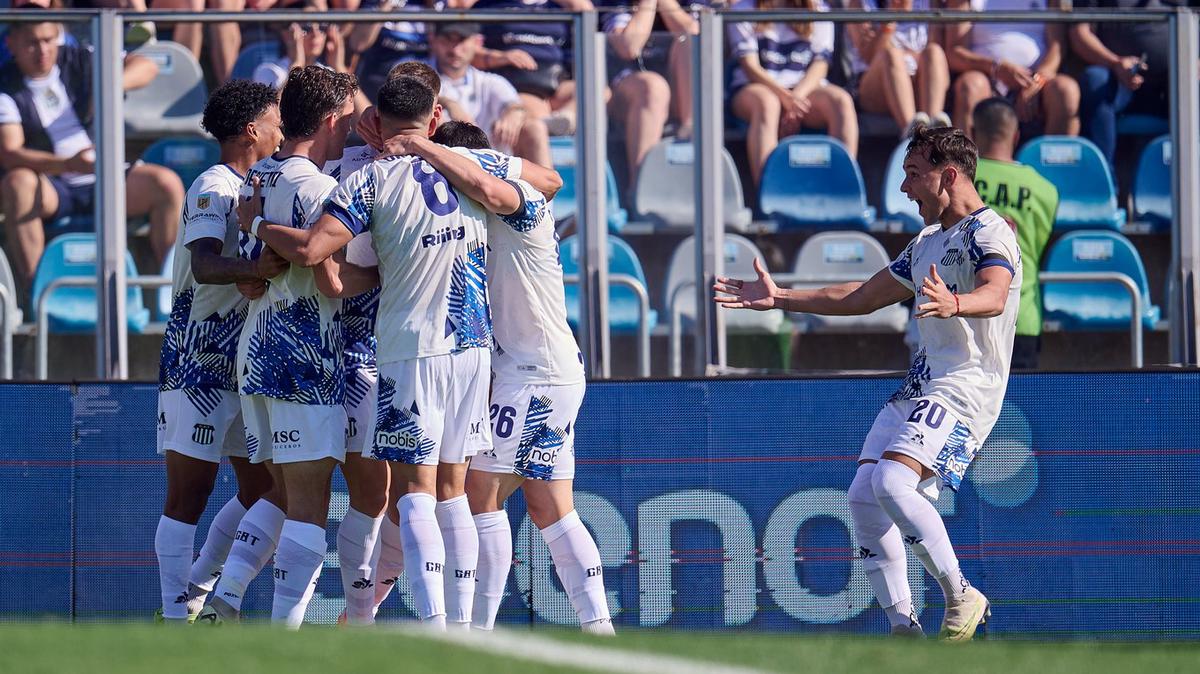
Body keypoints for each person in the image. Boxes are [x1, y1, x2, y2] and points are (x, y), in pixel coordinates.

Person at [237, 75, 530, 630]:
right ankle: (468, 628)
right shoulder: (473, 167)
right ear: (436, 115)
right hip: (472, 346)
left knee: (413, 490)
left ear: (374, 120)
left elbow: (315, 253)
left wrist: (253, 222)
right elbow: (547, 180)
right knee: (454, 492)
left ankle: (433, 622)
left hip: (407, 348)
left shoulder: (369, 179)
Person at [714, 126, 1021, 641]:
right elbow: (860, 295)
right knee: (862, 495)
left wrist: (956, 303)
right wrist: (781, 298)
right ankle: (904, 627)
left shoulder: (990, 232)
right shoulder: (926, 242)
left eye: (913, 174)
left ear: (948, 175)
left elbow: (995, 292)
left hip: (966, 387)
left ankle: (962, 594)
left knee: (892, 483)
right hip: (923, 384)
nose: (904, 188)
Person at [408, 120, 613, 635]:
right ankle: (599, 629)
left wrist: (420, 145)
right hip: (545, 370)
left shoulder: (518, 200)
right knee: (550, 507)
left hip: (533, 374)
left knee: (479, 494)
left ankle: (477, 634)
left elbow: (509, 183)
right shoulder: (477, 214)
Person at [202, 65, 359, 628]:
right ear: (331, 120)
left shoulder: (258, 176)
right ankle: (283, 636)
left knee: (280, 492)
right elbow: (331, 281)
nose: (352, 131)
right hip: (304, 354)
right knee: (309, 506)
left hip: (256, 351)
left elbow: (252, 272)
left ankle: (224, 596)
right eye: (348, 119)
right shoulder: (319, 189)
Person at [153, 79, 284, 624]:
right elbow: (205, 263)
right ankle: (172, 617)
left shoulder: (258, 187)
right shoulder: (215, 185)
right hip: (199, 359)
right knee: (190, 493)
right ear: (252, 130)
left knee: (267, 489)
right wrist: (251, 269)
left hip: (245, 361)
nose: (281, 130)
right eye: (275, 121)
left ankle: (200, 593)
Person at [0, 18, 183, 297]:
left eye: (48, 40)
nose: (43, 50)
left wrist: (110, 84)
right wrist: (68, 165)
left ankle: (171, 295)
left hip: (104, 175)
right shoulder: (5, 85)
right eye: (32, 43)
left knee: (166, 184)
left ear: (58, 36)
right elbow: (10, 153)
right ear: (11, 44)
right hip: (53, 185)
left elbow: (147, 66)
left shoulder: (80, 58)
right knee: (18, 184)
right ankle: (39, 299)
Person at [728, 0, 859, 188]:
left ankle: (841, 188)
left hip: (803, 91)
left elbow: (821, 64)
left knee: (841, 101)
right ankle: (770, 192)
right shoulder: (743, 9)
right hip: (755, 88)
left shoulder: (819, 9)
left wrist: (796, 98)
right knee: (767, 104)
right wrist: (786, 98)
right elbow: (750, 68)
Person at [971, 97, 1056, 370]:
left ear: (972, 133)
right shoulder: (1045, 190)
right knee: (1018, 400)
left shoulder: (956, 181)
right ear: (1016, 136)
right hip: (1021, 317)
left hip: (966, 316)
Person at [456, 0, 595, 137]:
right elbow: (466, 51)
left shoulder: (557, 6)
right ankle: (547, 126)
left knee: (594, 89)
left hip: (554, 79)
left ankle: (565, 118)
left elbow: (586, 12)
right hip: (516, 81)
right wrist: (502, 57)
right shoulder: (488, 6)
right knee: (535, 110)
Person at [1069, 0, 1180, 169]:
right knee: (1095, 81)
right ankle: (1101, 178)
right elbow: (1079, 34)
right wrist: (1115, 63)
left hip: (1177, 81)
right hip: (1116, 80)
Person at [945, 0, 1078, 138]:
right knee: (970, 85)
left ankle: (1055, 152)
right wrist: (995, 68)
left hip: (1038, 82)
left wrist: (1037, 81)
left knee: (1066, 90)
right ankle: (965, 151)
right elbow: (955, 51)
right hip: (986, 78)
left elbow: (1057, 47)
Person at [430, 22, 552, 168]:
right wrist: (449, 104)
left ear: (477, 43)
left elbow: (515, 106)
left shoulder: (490, 81)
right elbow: (415, 95)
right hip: (439, 165)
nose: (455, 49)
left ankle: (547, 181)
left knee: (535, 127)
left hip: (490, 167)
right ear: (433, 40)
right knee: (435, 121)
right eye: (447, 39)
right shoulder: (419, 72)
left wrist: (513, 115)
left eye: (462, 40)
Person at [845, 0, 950, 135]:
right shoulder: (859, 4)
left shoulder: (930, 3)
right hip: (874, 85)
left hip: (917, 80)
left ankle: (934, 132)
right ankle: (912, 134)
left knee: (934, 52)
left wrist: (906, 57)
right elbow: (869, 56)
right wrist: (891, 17)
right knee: (891, 55)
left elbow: (936, 50)